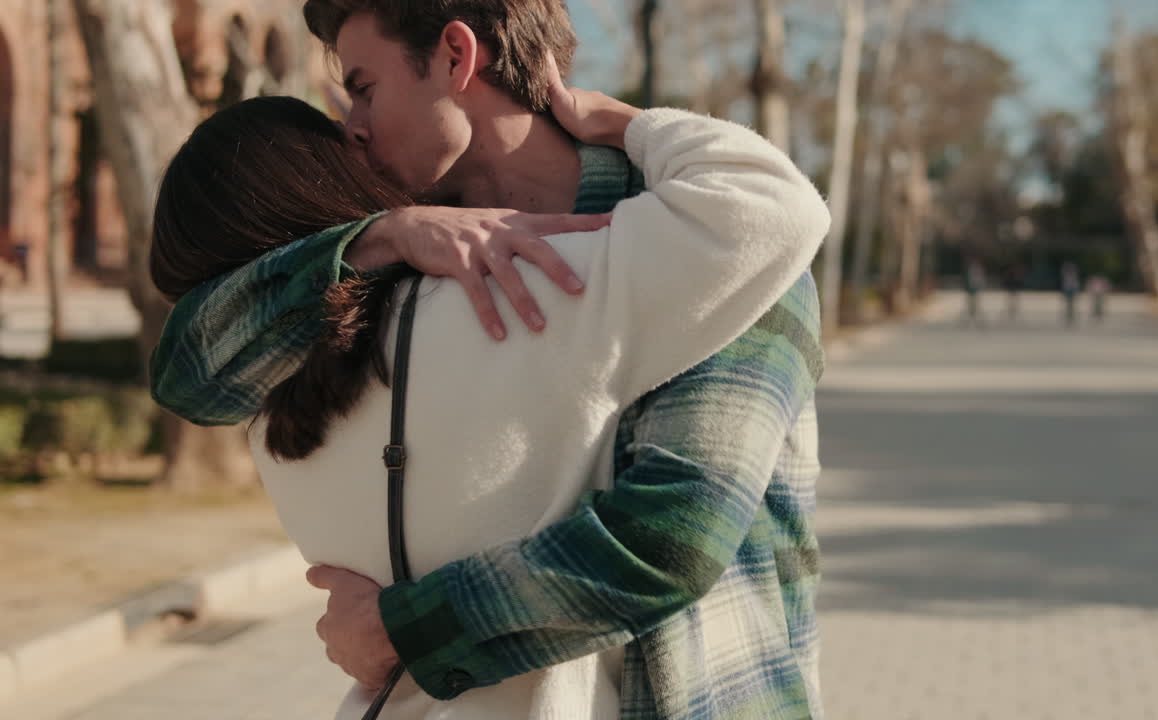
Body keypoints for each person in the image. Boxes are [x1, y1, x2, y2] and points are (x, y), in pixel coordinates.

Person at [149, 2, 828, 717]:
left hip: (704, 698)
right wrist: (383, 236)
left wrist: (404, 631)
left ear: (455, 56)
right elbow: (187, 375)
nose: (352, 125)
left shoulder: (714, 243)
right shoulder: (397, 270)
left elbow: (673, 536)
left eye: (364, 88)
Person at [1061, 261, 1081, 327]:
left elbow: (1074, 285)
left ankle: (1071, 315)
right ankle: (1069, 315)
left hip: (1071, 290)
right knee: (1069, 304)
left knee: (1071, 304)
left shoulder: (1072, 277)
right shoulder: (1068, 276)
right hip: (1069, 290)